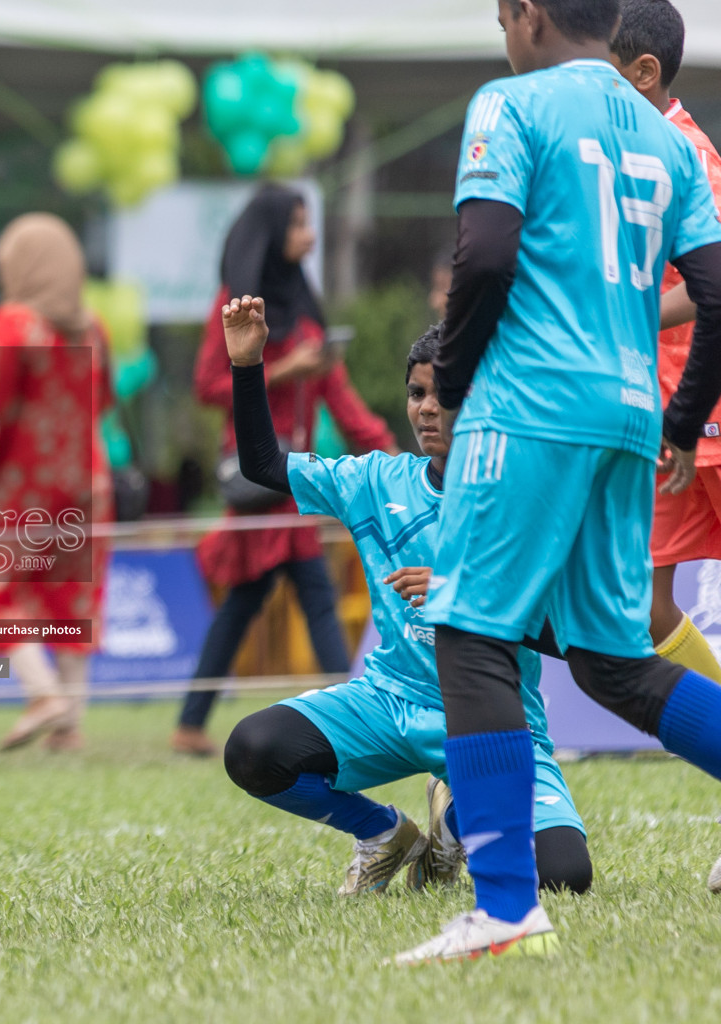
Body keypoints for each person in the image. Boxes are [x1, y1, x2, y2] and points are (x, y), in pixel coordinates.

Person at [397, 0, 721, 964]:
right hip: (628, 414)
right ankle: (504, 905)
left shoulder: (513, 104)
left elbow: (485, 252)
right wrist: (677, 417)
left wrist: (452, 390)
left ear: (526, 14)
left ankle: (503, 909)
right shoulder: (661, 132)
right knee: (611, 659)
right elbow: (715, 289)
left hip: (528, 409)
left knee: (468, 631)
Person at [221, 304, 591, 896]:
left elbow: (575, 639)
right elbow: (260, 465)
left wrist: (457, 594)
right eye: (417, 392)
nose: (425, 408)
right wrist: (247, 363)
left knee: (564, 878)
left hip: (494, 718)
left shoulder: (526, 504)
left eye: (443, 393)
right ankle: (384, 832)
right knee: (253, 750)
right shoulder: (377, 481)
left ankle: (456, 817)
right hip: (388, 702)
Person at [173, 185, 397, 757]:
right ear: (273, 232)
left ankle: (193, 721)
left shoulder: (304, 304)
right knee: (279, 598)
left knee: (276, 598)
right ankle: (350, 713)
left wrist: (393, 456)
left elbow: (340, 398)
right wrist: (279, 368)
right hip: (257, 479)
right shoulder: (235, 304)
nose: (310, 235)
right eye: (299, 224)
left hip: (296, 481)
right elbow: (208, 386)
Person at [0, 213, 114, 753]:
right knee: (75, 598)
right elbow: (105, 402)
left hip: (27, 483)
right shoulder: (94, 328)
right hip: (90, 482)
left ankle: (42, 695)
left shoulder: (13, 322)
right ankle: (70, 727)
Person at [610, 0, 721, 686]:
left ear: (645, 72)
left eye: (600, 72)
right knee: (646, 607)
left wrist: (626, 312)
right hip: (660, 421)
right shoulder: (620, 158)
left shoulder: (688, 153)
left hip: (708, 411)